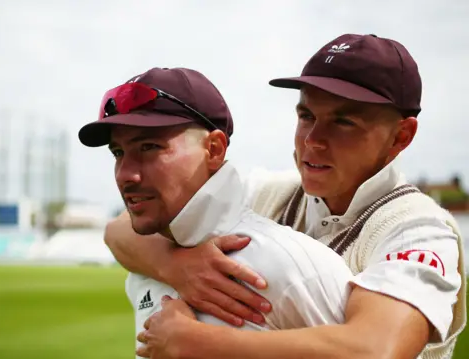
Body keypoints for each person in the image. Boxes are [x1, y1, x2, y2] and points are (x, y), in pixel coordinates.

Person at [105, 34, 467, 359]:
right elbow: (119, 230)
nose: (313, 140)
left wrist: (195, 343)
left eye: (344, 122)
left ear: (401, 137)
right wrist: (177, 266)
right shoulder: (272, 192)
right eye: (306, 115)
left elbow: (376, 350)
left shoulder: (418, 228)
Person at [78, 67, 356, 358]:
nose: (126, 175)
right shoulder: (142, 274)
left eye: (149, 147)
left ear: (213, 149)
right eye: (118, 153)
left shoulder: (288, 265)